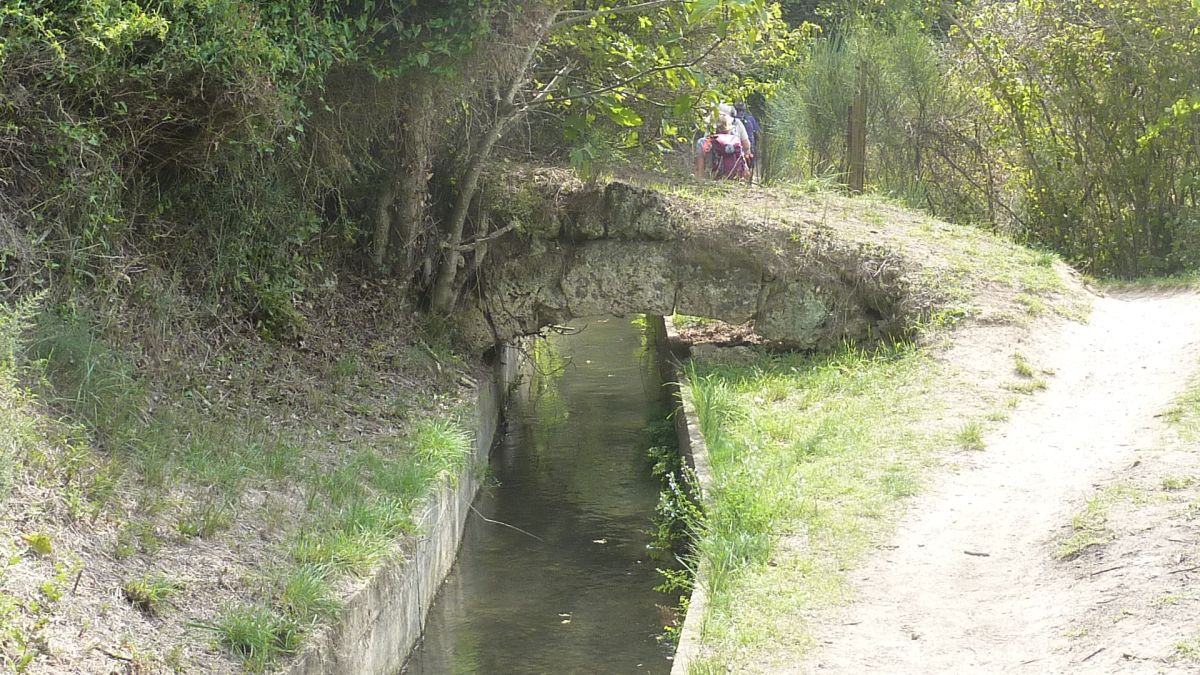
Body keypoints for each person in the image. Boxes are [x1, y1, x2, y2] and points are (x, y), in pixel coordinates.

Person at [693, 115, 750, 181]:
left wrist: (700, 179)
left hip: (711, 179)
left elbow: (699, 166)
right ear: (728, 129)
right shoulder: (735, 141)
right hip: (734, 179)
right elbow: (745, 168)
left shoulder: (703, 142)